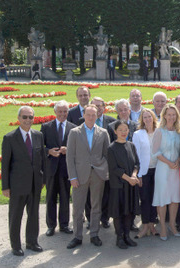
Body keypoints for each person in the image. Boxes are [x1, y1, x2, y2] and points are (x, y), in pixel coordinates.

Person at [2, 106, 46, 256]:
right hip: (17, 185)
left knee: (33, 214)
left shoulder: (38, 135)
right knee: (16, 216)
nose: (28, 120)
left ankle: (32, 242)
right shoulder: (9, 138)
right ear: (19, 118)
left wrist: (43, 179)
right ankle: (16, 245)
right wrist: (5, 187)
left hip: (35, 183)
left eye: (31, 117)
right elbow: (5, 164)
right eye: (25, 117)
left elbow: (42, 159)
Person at [66, 104, 110, 249]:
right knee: (78, 207)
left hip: (97, 174)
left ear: (97, 115)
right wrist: (72, 177)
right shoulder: (74, 132)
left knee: (96, 206)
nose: (91, 117)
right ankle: (77, 236)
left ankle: (94, 234)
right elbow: (70, 156)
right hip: (79, 175)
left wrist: (103, 169)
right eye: (88, 114)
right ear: (84, 115)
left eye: (94, 115)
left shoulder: (103, 132)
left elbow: (106, 154)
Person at [40, 100, 76, 237]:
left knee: (65, 197)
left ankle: (64, 224)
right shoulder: (46, 127)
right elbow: (39, 147)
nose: (63, 114)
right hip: (51, 169)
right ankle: (51, 225)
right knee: (50, 198)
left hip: (66, 169)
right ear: (55, 112)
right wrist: (49, 151)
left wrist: (69, 149)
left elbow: (77, 148)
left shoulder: (73, 128)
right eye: (60, 111)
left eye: (65, 111)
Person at [107, 120, 141, 249]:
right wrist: (128, 178)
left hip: (131, 185)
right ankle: (119, 237)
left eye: (125, 129)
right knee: (119, 212)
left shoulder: (131, 145)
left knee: (129, 211)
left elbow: (136, 163)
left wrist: (134, 175)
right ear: (115, 131)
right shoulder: (111, 148)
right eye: (120, 130)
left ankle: (127, 236)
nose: (123, 132)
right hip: (119, 185)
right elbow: (114, 169)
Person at [151, 104, 180, 240]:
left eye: (174, 114)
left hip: (176, 169)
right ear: (164, 115)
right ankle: (163, 226)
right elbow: (155, 152)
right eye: (169, 114)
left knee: (175, 198)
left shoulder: (178, 131)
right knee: (163, 199)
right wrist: (169, 162)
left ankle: (172, 225)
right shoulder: (159, 131)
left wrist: (178, 160)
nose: (171, 117)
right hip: (163, 169)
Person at [132, 109, 159, 238]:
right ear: (142, 120)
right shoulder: (138, 134)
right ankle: (145, 225)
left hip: (158, 169)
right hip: (144, 171)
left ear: (153, 118)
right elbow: (135, 155)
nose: (147, 119)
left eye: (149, 116)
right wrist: (139, 175)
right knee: (145, 199)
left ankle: (152, 225)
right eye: (145, 117)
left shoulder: (160, 132)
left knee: (155, 199)